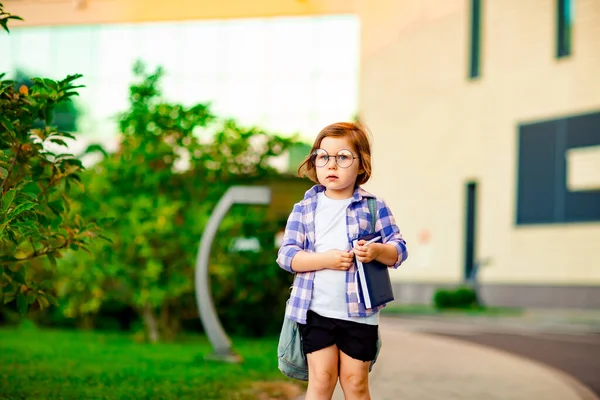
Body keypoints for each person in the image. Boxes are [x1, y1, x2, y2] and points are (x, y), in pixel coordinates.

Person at [276, 122, 408, 400]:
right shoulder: (305, 209)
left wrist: (376, 252)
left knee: (355, 383)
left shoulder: (375, 206)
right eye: (323, 157)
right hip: (315, 310)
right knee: (321, 381)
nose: (331, 165)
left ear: (361, 165)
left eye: (343, 157)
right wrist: (324, 259)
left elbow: (398, 249)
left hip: (360, 313)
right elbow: (287, 256)